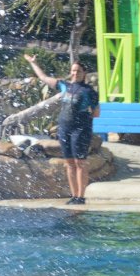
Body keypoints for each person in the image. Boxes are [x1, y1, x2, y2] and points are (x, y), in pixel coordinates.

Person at [26, 54, 99, 205]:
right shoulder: (64, 86)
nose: (75, 73)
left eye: (78, 71)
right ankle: (73, 195)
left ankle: (81, 196)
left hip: (81, 129)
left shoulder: (89, 91)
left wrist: (84, 114)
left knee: (80, 163)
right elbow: (44, 78)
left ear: (84, 73)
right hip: (65, 128)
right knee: (69, 163)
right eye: (73, 70)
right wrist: (33, 63)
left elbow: (96, 113)